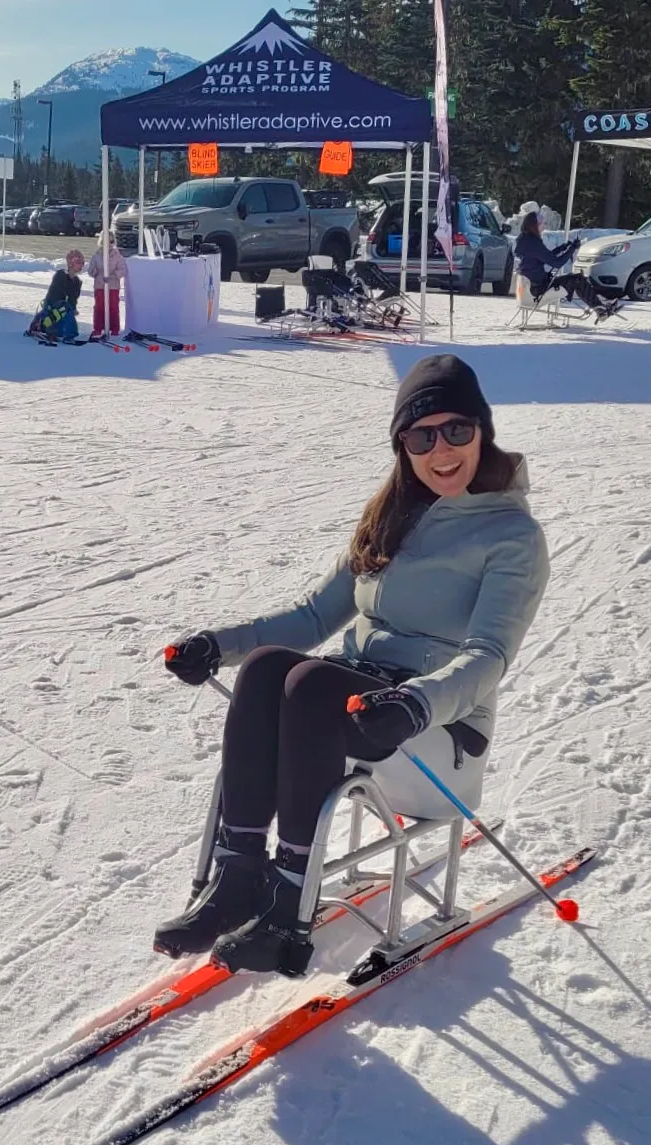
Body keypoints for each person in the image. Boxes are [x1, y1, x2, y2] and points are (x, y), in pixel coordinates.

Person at [155, 354, 550, 977]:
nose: (441, 449)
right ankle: (239, 880)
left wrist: (416, 702)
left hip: (438, 737)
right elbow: (314, 618)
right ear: (403, 445)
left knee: (312, 684)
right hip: (361, 712)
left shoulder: (512, 536)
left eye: (457, 430)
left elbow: (488, 657)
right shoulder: (393, 514)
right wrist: (217, 644)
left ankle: (290, 912)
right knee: (263, 668)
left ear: (484, 430)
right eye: (422, 435)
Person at [514, 212, 619, 319]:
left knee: (575, 278)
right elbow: (557, 263)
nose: (544, 226)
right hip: (538, 289)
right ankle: (600, 310)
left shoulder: (524, 239)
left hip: (533, 285)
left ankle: (599, 308)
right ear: (535, 225)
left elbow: (544, 257)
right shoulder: (533, 243)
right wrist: (572, 249)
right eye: (542, 224)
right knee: (577, 279)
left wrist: (562, 248)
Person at [27, 249, 85, 342]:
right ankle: (68, 335)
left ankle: (48, 327)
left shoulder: (77, 282)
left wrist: (73, 308)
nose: (81, 265)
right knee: (64, 308)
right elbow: (53, 295)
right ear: (70, 263)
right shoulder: (60, 275)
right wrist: (63, 307)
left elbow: (73, 299)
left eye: (82, 263)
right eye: (78, 262)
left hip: (61, 310)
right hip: (52, 305)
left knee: (66, 313)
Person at [87, 233, 127, 338]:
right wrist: (96, 272)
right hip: (100, 285)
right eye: (106, 241)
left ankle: (114, 328)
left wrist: (113, 275)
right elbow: (91, 270)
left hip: (113, 286)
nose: (108, 244)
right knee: (99, 307)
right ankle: (98, 328)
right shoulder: (97, 255)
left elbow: (122, 270)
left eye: (111, 241)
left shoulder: (117, 255)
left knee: (113, 307)